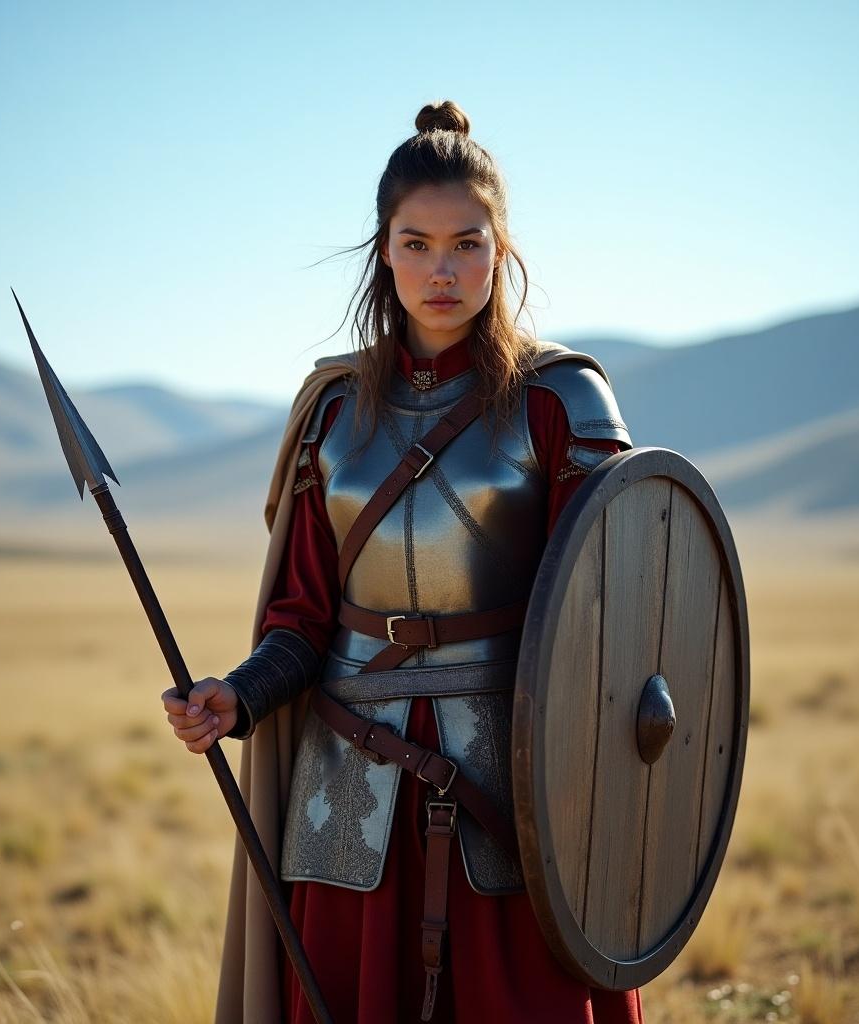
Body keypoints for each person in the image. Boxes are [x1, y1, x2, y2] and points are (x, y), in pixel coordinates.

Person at [161, 100, 644, 1024]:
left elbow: (615, 608)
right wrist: (242, 694)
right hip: (348, 790)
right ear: (383, 249)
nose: (441, 269)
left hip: (512, 789)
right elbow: (301, 619)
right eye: (416, 243)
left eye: (466, 242)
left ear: (500, 249)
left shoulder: (560, 402)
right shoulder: (336, 415)